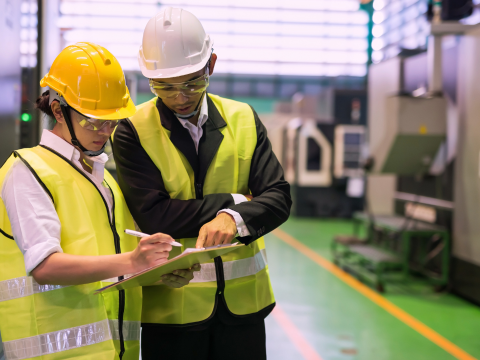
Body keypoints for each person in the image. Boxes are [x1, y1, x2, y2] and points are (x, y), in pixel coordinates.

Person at [0, 42, 199, 360]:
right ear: (57, 111)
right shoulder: (27, 171)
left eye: (112, 121)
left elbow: (108, 264)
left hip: (115, 352)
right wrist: (134, 262)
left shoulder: (103, 179)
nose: (105, 131)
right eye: (94, 121)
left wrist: (157, 273)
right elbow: (44, 266)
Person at [112, 8, 292, 360]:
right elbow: (155, 216)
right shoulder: (132, 130)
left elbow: (279, 198)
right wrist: (238, 202)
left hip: (244, 308)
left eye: (192, 82)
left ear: (211, 64)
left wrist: (232, 219)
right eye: (165, 86)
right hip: (173, 309)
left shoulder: (243, 117)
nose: (180, 97)